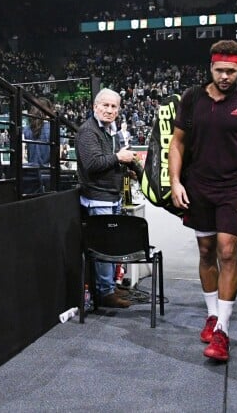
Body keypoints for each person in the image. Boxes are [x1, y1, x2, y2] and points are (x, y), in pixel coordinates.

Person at [169, 39, 237, 362]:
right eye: (219, 70)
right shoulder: (191, 99)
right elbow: (177, 143)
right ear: (211, 67)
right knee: (206, 251)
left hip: (235, 188)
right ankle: (211, 314)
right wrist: (176, 181)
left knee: (227, 251)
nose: (225, 76)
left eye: (231, 71)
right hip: (199, 187)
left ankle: (223, 331)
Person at [76, 88, 139, 309]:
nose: (109, 110)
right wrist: (118, 157)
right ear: (95, 106)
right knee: (103, 245)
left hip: (111, 196)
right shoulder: (88, 131)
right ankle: (104, 292)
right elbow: (93, 164)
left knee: (111, 243)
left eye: (114, 106)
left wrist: (124, 169)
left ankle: (110, 285)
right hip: (97, 197)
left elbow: (107, 164)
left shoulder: (110, 131)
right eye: (105, 105)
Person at [23, 97, 53, 166]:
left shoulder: (26, 129)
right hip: (48, 171)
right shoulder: (53, 129)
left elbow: (23, 154)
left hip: (31, 170)